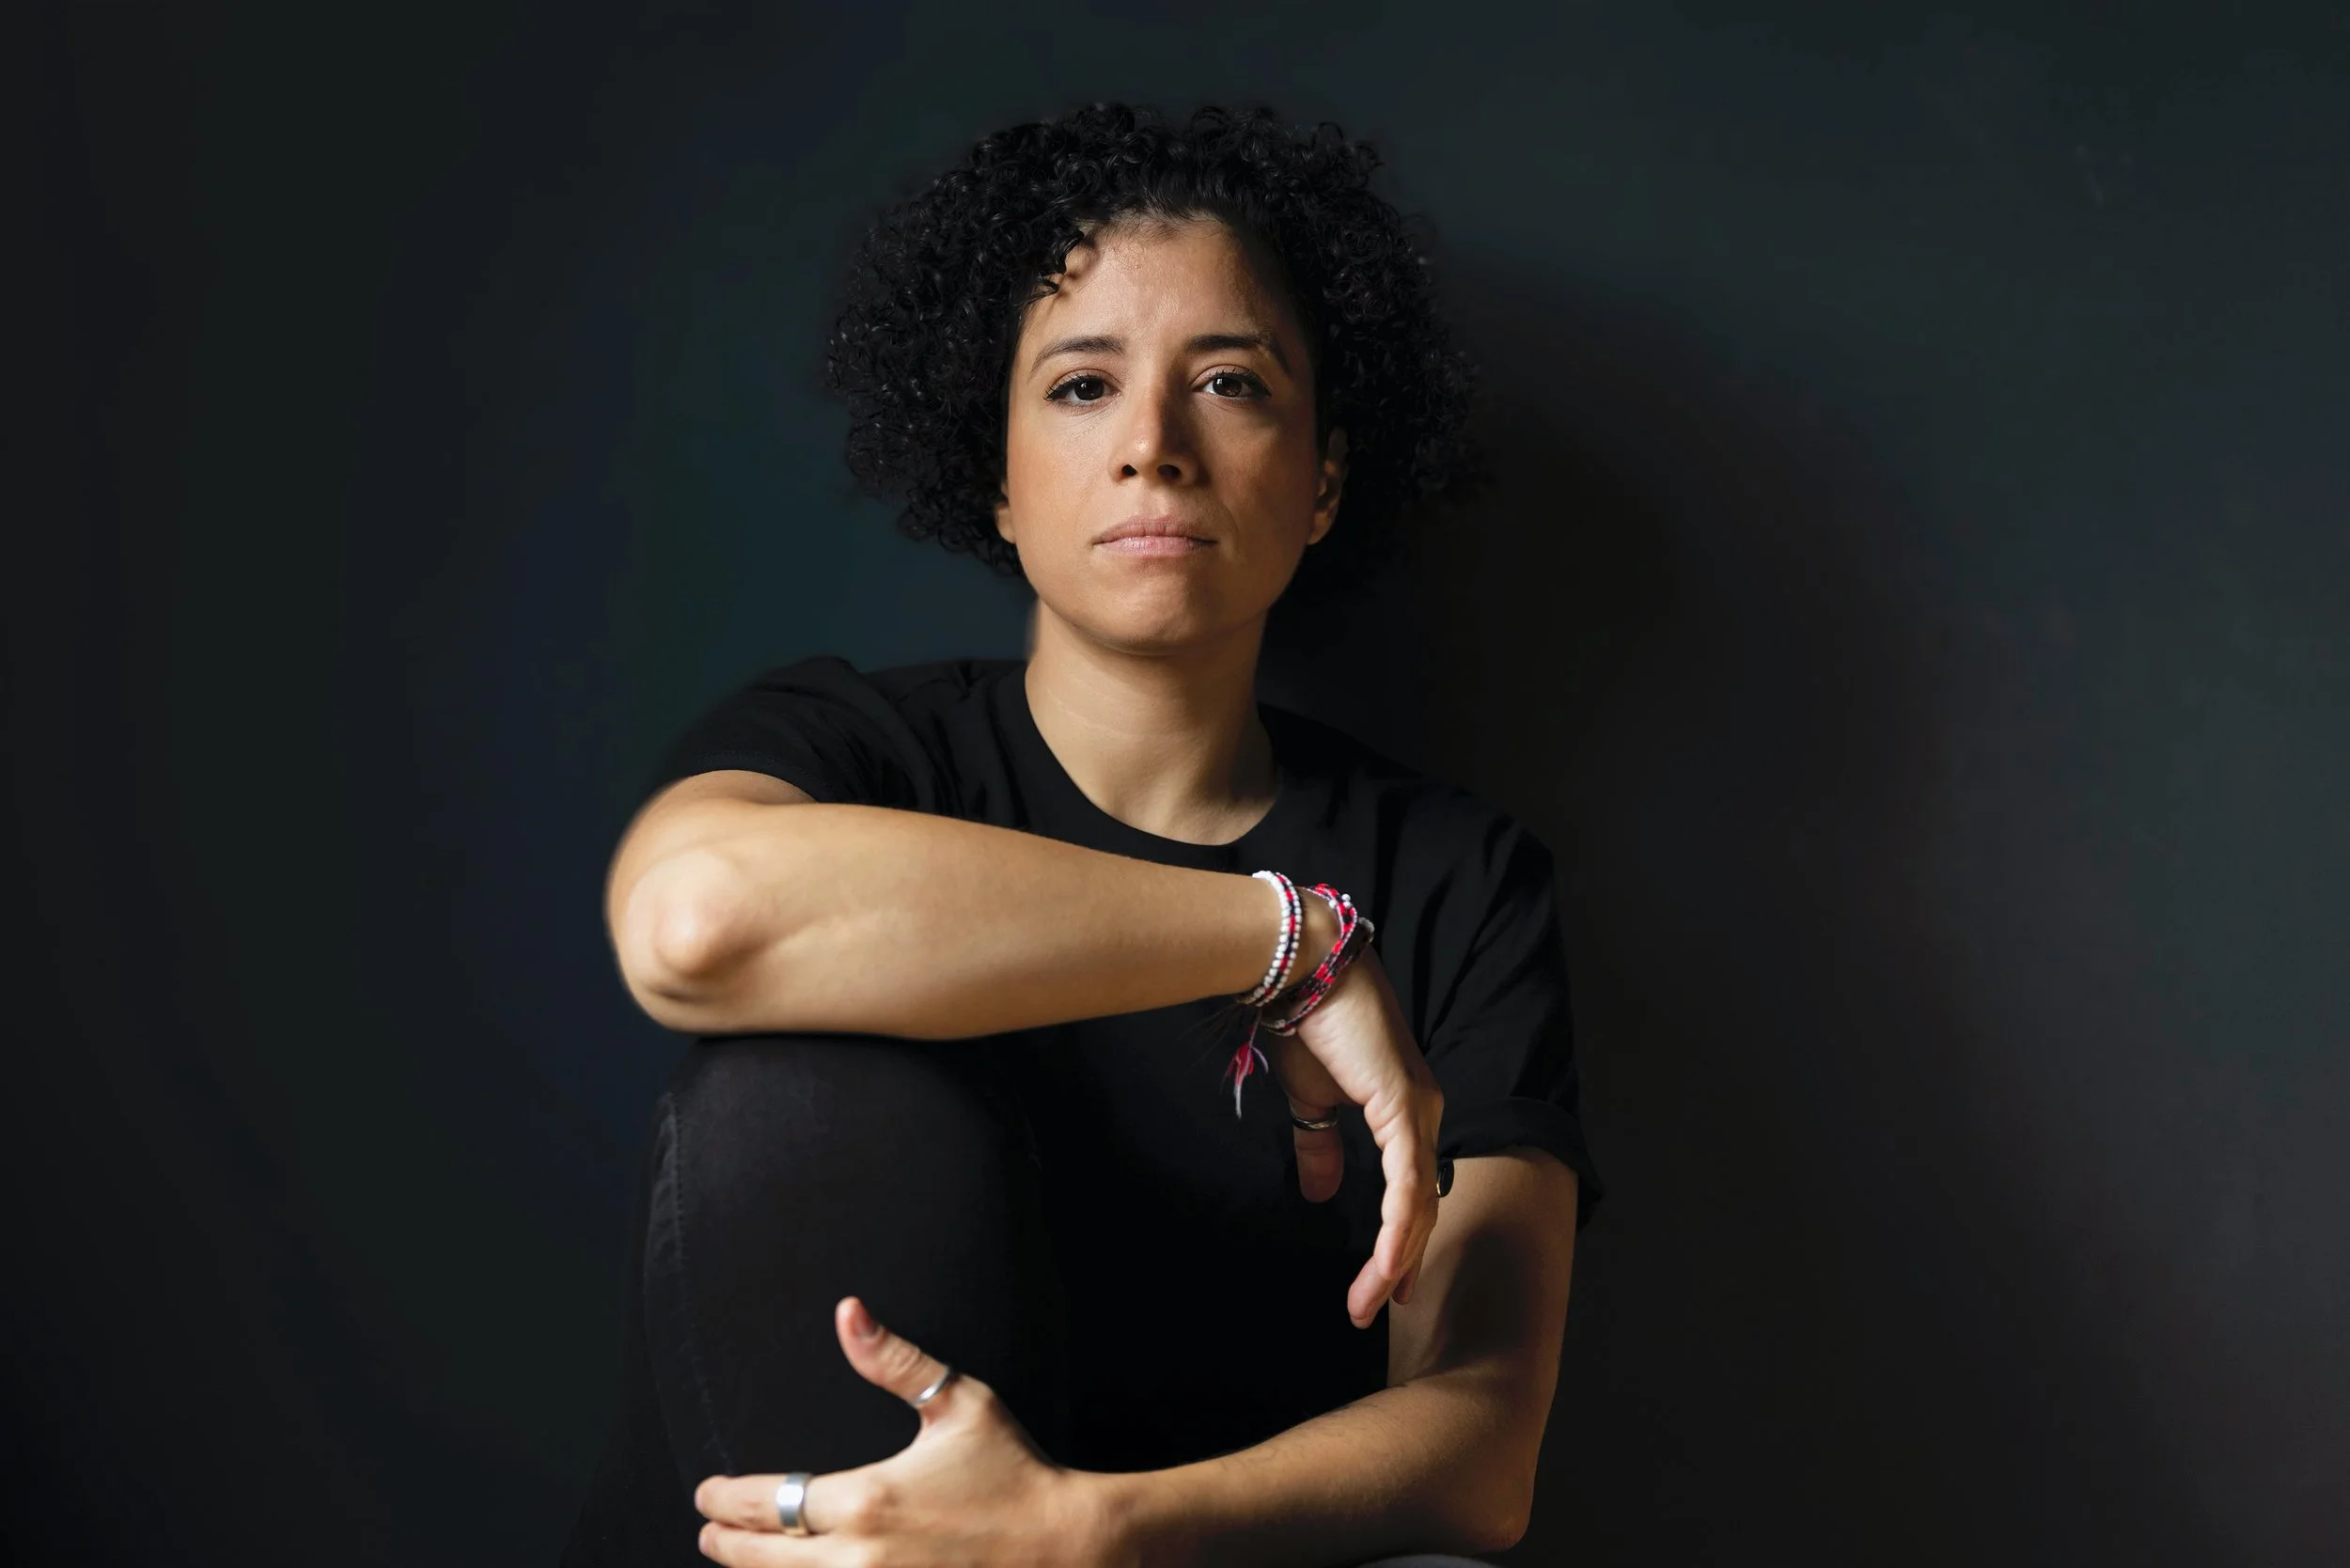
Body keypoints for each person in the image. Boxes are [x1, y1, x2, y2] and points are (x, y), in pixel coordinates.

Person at [559, 101, 1605, 1568]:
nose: (1152, 448)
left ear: (1322, 479)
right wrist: (1286, 945)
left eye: (1229, 383)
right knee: (796, 1084)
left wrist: (1081, 1532)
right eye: (1081, 386)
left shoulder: (1454, 880)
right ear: (996, 475)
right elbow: (700, 924)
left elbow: (1481, 1442)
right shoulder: (860, 751)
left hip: (1167, 1555)